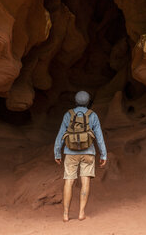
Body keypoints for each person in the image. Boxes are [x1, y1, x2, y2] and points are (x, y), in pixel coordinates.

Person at [54, 91, 107, 222]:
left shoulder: (68, 114)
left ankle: (65, 214)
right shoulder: (92, 115)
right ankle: (81, 213)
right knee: (85, 182)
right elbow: (99, 136)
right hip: (88, 152)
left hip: (70, 152)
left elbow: (61, 134)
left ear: (75, 101)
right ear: (88, 102)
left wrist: (57, 152)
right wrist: (103, 154)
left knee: (69, 181)